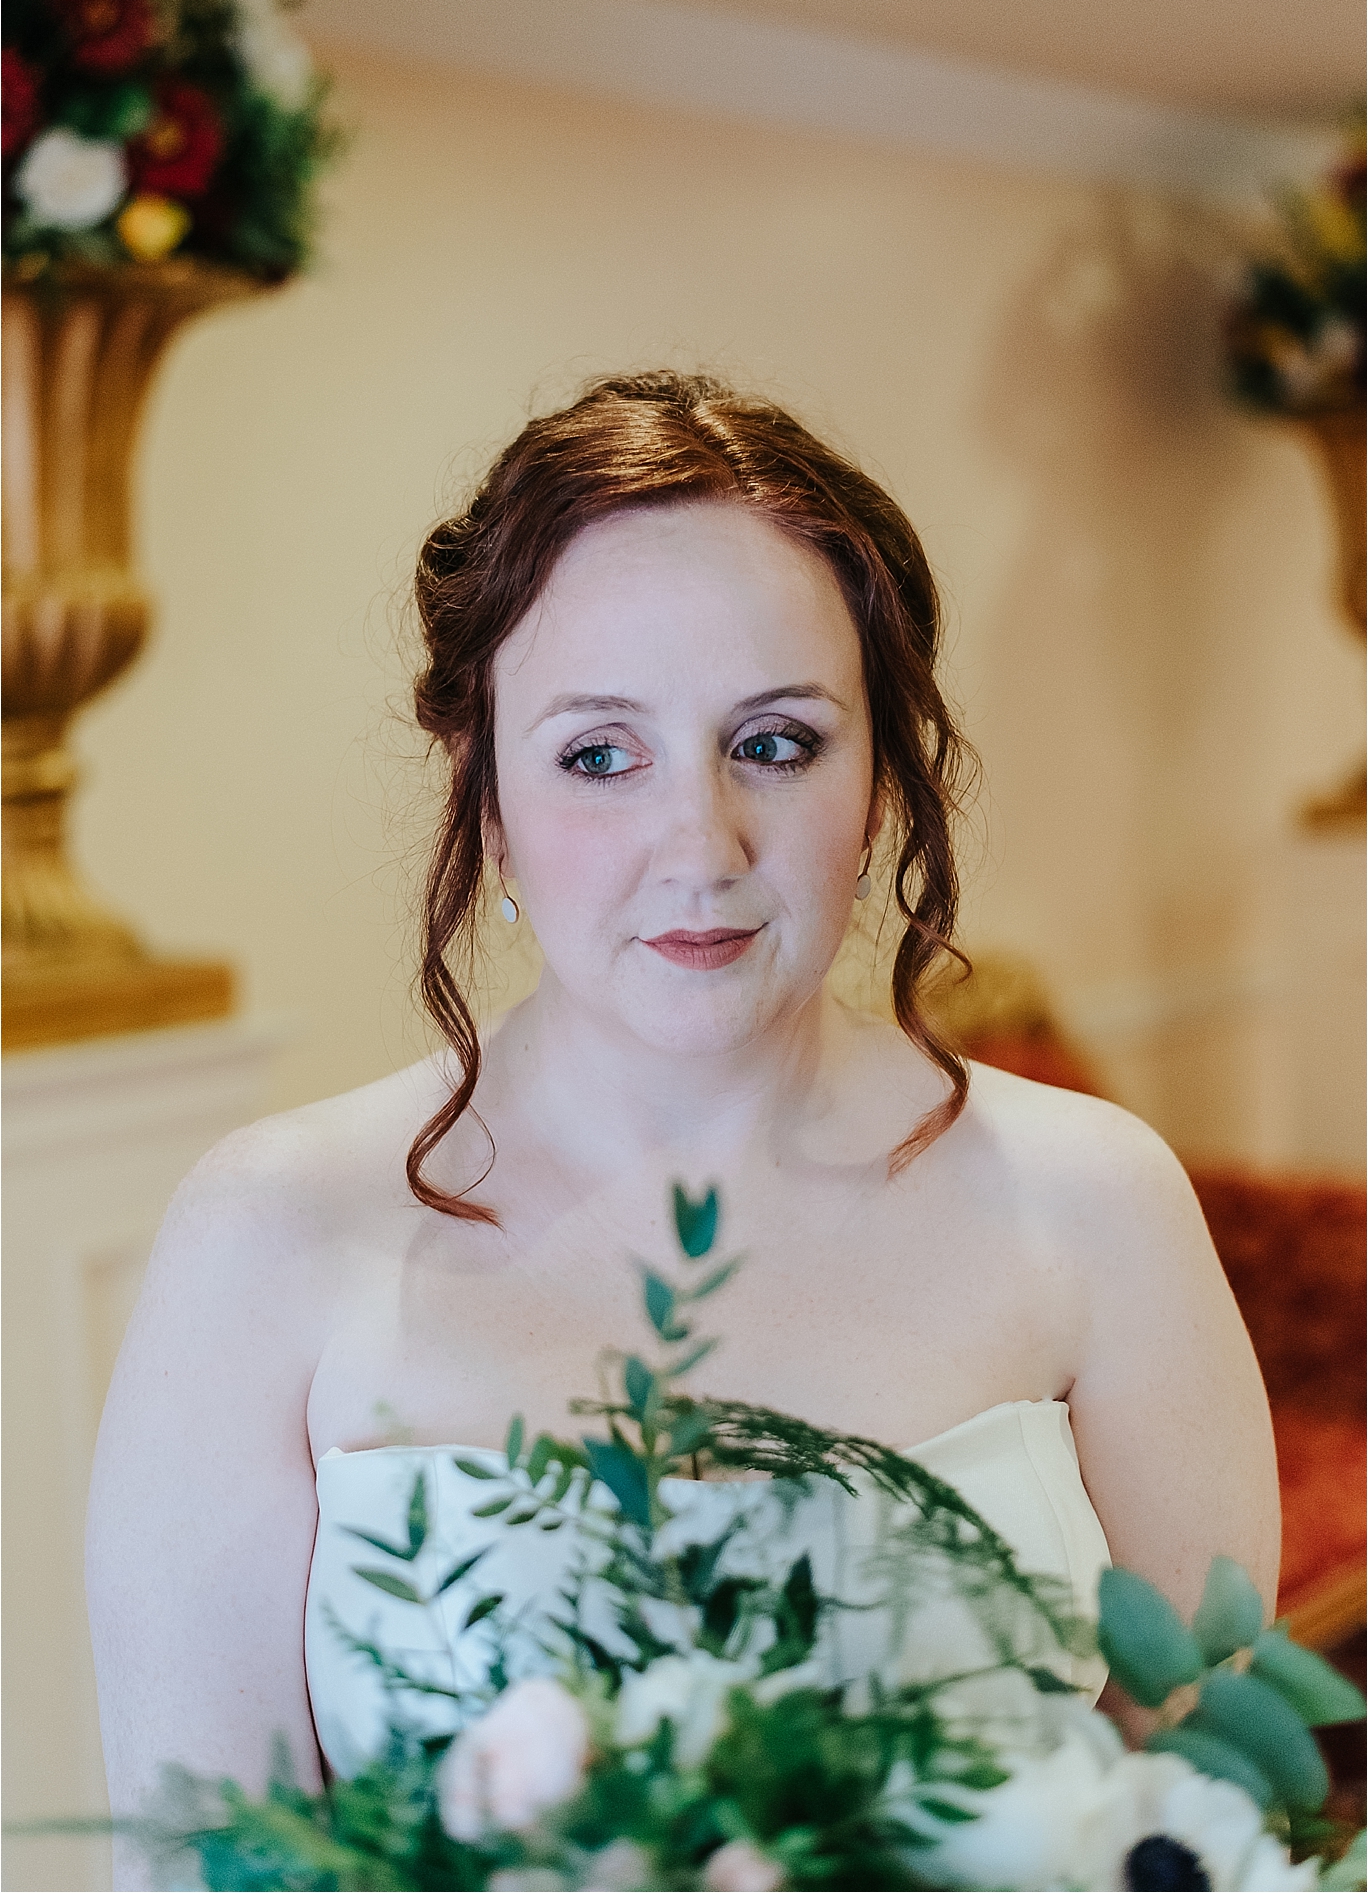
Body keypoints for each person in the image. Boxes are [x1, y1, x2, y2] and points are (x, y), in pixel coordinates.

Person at [87, 372, 1279, 1875]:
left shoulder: (1098, 1204)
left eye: (775, 743)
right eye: (600, 754)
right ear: (490, 794)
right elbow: (206, 1866)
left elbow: (1201, 1821)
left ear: (882, 781)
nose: (698, 845)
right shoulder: (269, 1234)